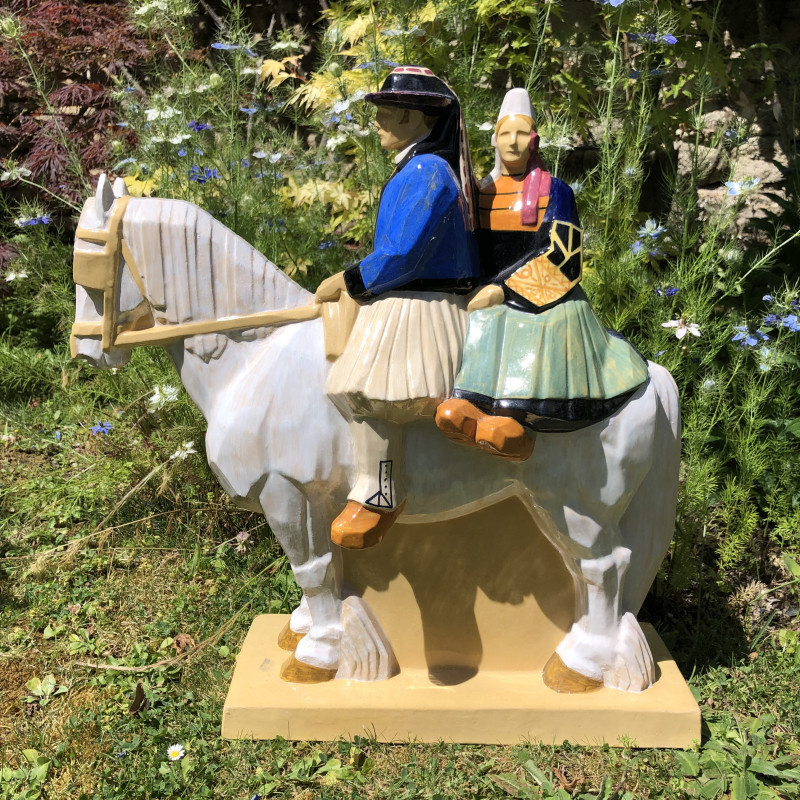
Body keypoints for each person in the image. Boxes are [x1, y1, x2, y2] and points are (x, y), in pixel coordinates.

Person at [316, 66, 481, 549]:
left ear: (413, 118)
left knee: (370, 387)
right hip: (406, 294)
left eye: (385, 113)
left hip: (423, 302)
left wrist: (348, 279)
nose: (377, 123)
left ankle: (381, 494)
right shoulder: (416, 168)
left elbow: (403, 253)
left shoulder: (429, 173)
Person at [435, 88, 649, 459]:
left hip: (544, 296)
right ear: (494, 140)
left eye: (521, 133)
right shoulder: (482, 192)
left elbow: (564, 255)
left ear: (533, 141)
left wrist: (504, 290)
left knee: (528, 327)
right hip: (487, 293)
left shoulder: (555, 192)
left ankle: (515, 418)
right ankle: (469, 402)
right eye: (505, 133)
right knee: (475, 320)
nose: (512, 141)